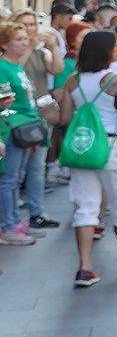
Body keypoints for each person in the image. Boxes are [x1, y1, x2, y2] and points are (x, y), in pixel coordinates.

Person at [57, 28, 117, 286]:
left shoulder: (73, 80)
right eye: (116, 45)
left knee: (86, 206)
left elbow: (65, 119)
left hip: (84, 146)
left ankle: (85, 267)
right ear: (106, 50)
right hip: (112, 144)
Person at [0, 22, 49, 243]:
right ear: (4, 44)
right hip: (12, 130)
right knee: (9, 180)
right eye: (18, 39)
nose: (24, 42)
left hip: (26, 128)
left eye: (25, 38)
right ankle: (8, 227)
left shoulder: (17, 67)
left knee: (17, 178)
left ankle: (16, 222)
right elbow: (5, 105)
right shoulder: (3, 68)